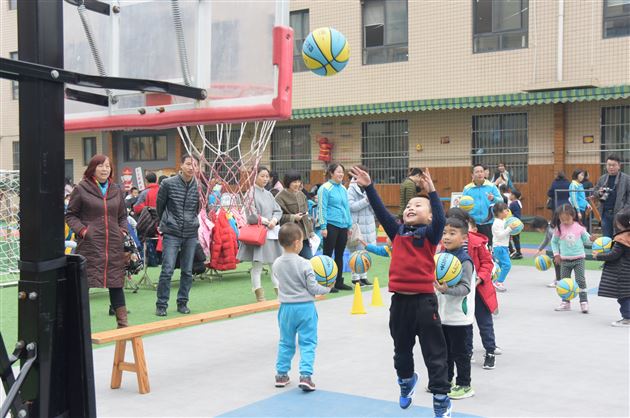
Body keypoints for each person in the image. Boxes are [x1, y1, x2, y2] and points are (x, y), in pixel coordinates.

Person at [349, 165, 452, 418]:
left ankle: (441, 397)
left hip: (425, 303)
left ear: (429, 216)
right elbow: (381, 212)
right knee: (401, 350)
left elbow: (441, 219)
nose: (411, 208)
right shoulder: (398, 234)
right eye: (408, 206)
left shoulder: (429, 235)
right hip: (400, 304)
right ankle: (406, 381)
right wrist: (369, 187)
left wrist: (432, 192)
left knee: (434, 353)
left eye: (418, 205)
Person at [66, 154, 129, 328]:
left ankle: (123, 325)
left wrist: (122, 231)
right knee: (84, 285)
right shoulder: (81, 189)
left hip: (113, 245)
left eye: (107, 166)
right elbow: (71, 215)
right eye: (100, 166)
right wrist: (84, 231)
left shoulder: (116, 189)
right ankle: (78, 328)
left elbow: (123, 216)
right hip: (90, 246)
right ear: (92, 168)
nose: (104, 169)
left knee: (116, 283)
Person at [273, 223, 330, 391]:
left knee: (285, 342)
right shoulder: (305, 263)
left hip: (285, 309)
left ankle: (281, 374)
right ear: (297, 243)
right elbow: (313, 288)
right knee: (308, 343)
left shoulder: (277, 263)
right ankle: (305, 376)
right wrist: (327, 288)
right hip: (305, 308)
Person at [447, 208, 500, 371]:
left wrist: (479, 278)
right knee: (466, 322)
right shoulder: (446, 244)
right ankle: (467, 351)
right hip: (461, 290)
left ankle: (490, 351)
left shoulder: (477, 242)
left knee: (484, 322)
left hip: (479, 289)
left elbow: (487, 263)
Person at [435, 217, 476, 400]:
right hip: (443, 315)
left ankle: (465, 385)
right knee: (445, 353)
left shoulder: (464, 261)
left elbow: (465, 288)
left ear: (464, 238)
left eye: (452, 233)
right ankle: (447, 381)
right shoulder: (440, 257)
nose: (447, 237)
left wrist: (447, 290)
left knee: (461, 353)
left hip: (460, 318)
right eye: (444, 233)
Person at [155, 155, 200, 316]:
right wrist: (168, 222)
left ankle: (183, 302)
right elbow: (159, 206)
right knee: (167, 270)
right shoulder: (168, 183)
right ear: (181, 165)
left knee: (187, 271)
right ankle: (161, 305)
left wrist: (191, 221)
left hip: (190, 232)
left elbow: (198, 208)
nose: (191, 167)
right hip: (171, 232)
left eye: (194, 165)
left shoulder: (198, 186)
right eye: (188, 164)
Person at [238, 166, 283, 302]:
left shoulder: (268, 194)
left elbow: (278, 210)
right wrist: (265, 221)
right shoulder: (250, 193)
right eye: (262, 176)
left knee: (274, 265)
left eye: (267, 176)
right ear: (255, 177)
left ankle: (280, 294)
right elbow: (250, 215)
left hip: (271, 233)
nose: (265, 179)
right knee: (257, 266)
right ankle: (259, 295)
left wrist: (274, 220)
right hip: (259, 234)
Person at [317, 163, 353, 291]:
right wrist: (323, 226)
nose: (341, 174)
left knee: (339, 254)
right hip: (330, 225)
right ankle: (327, 283)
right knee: (327, 255)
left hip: (343, 226)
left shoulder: (343, 188)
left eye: (342, 172)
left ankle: (338, 282)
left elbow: (346, 208)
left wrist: (349, 225)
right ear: (331, 173)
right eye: (338, 172)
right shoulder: (325, 188)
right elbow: (322, 208)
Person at [551, 204, 592, 313]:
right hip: (564, 260)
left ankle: (584, 302)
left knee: (580, 280)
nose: (565, 221)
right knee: (564, 282)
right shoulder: (559, 228)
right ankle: (565, 302)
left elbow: (587, 240)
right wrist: (556, 254)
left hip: (579, 259)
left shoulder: (579, 227)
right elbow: (554, 242)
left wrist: (592, 239)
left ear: (573, 216)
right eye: (562, 219)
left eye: (567, 219)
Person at [594, 208, 630, 327]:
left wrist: (598, 256)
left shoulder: (621, 239)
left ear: (621, 224)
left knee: (623, 297)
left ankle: (627, 318)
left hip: (622, 273)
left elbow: (613, 255)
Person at [275, 170, 314, 260]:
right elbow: (277, 217)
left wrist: (310, 231)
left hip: (303, 236)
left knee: (308, 260)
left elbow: (306, 215)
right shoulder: (279, 197)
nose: (297, 184)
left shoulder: (301, 195)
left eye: (298, 181)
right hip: (289, 236)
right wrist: (293, 217)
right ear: (288, 182)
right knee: (291, 261)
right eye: (294, 182)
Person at [347, 164, 375, 286]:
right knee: (355, 252)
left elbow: (374, 205)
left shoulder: (368, 187)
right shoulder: (351, 189)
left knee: (365, 251)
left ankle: (363, 276)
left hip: (368, 225)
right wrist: (366, 201)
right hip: (357, 226)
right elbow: (351, 206)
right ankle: (355, 278)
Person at [462, 164, 503, 245]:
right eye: (477, 172)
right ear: (472, 175)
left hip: (488, 222)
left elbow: (501, 200)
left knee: (489, 247)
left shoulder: (491, 186)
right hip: (473, 223)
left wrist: (493, 198)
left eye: (481, 171)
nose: (480, 174)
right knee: (473, 246)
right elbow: (463, 205)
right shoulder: (467, 188)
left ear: (484, 173)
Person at [595, 154, 630, 238]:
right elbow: (595, 192)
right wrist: (599, 193)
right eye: (609, 165)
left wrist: (625, 209)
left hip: (621, 214)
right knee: (607, 239)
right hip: (605, 213)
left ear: (619, 166)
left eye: (613, 165)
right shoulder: (602, 178)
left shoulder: (626, 179)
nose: (611, 167)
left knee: (619, 238)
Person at [134, 172, 160, 266]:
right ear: (156, 180)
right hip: (163, 224)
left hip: (150, 225)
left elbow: (137, 208)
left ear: (146, 181)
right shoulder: (162, 190)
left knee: (141, 231)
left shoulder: (145, 193)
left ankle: (149, 259)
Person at [532, 216, 562, 288]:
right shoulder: (549, 228)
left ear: (541, 227)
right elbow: (546, 240)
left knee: (556, 261)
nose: (538, 231)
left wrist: (558, 253)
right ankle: (559, 279)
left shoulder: (551, 230)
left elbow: (559, 241)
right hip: (560, 249)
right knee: (559, 263)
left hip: (563, 248)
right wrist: (539, 250)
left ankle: (558, 281)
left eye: (537, 229)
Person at [491, 202, 513, 293]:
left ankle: (494, 281)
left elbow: (505, 233)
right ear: (499, 213)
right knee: (507, 265)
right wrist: (509, 229)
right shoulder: (496, 223)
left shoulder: (504, 221)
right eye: (505, 210)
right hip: (499, 247)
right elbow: (500, 235)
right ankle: (499, 282)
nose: (508, 211)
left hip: (504, 247)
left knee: (499, 266)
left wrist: (511, 230)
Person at [508, 190, 523, 259]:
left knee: (514, 238)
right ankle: (517, 251)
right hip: (518, 222)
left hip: (514, 223)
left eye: (511, 194)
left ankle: (517, 252)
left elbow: (508, 212)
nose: (509, 196)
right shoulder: (518, 202)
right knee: (516, 238)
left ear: (514, 196)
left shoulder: (513, 204)